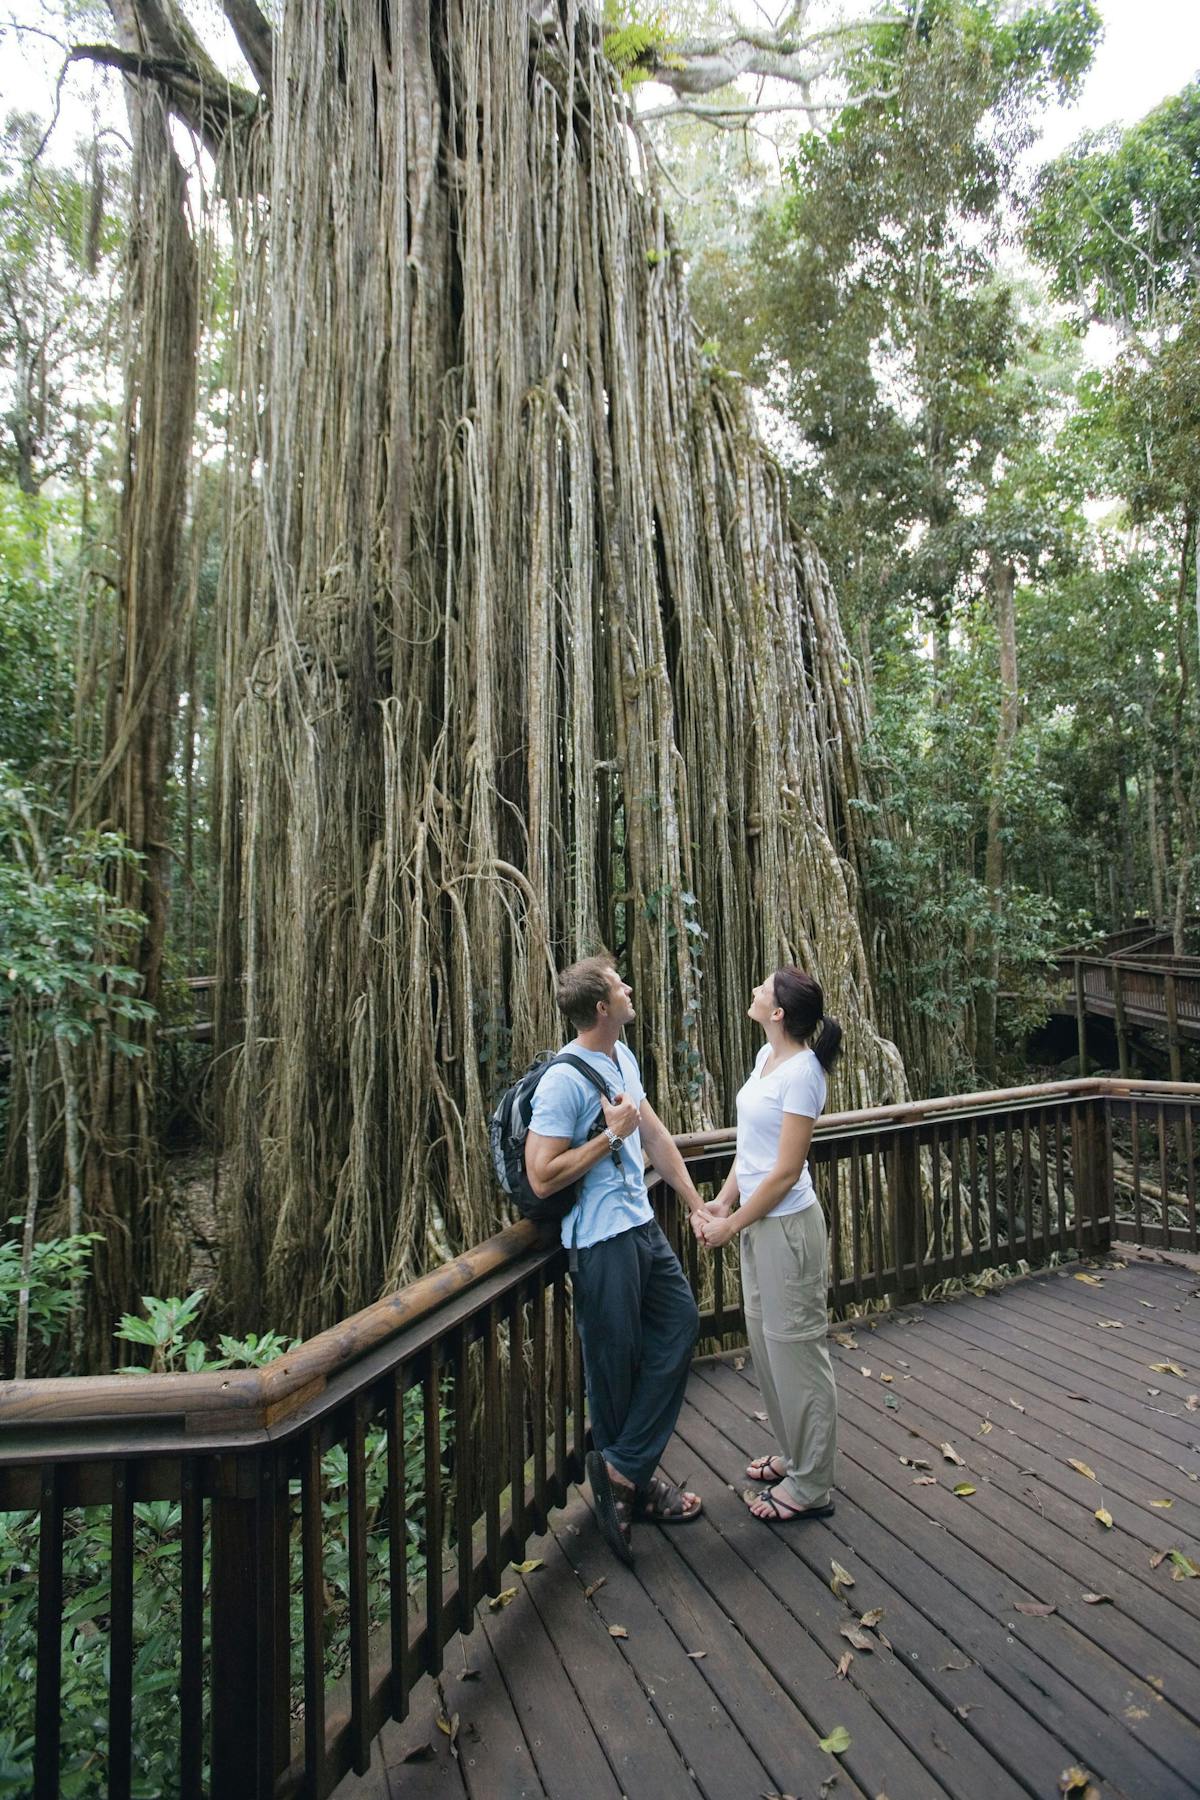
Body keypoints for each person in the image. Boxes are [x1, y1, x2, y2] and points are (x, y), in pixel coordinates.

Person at [525, 954, 707, 1563]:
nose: (630, 989)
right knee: (613, 1368)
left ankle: (624, 1470)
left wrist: (693, 1201)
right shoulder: (563, 1080)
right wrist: (608, 1137)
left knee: (680, 1324)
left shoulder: (622, 1058)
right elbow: (543, 1175)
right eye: (619, 985)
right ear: (602, 1007)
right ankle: (632, 1489)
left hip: (642, 1226)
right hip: (599, 1241)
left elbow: (653, 1134)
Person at [696, 967, 842, 1522]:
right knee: (766, 1343)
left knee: (798, 1350)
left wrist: (731, 1227)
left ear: (778, 1012)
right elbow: (751, 1151)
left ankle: (812, 1486)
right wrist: (724, 1203)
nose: (755, 989)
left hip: (786, 1227)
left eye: (764, 987)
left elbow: (784, 1172)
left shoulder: (803, 1073)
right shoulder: (765, 1061)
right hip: (757, 1222)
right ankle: (795, 1455)